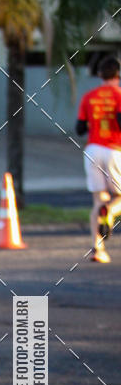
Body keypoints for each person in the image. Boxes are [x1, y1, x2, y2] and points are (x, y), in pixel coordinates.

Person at [76, 55, 121, 263]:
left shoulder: (88, 96)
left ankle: (98, 249)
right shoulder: (119, 95)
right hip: (114, 149)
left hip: (92, 150)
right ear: (117, 75)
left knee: (98, 199)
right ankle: (110, 212)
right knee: (117, 198)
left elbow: (80, 128)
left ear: (100, 75)